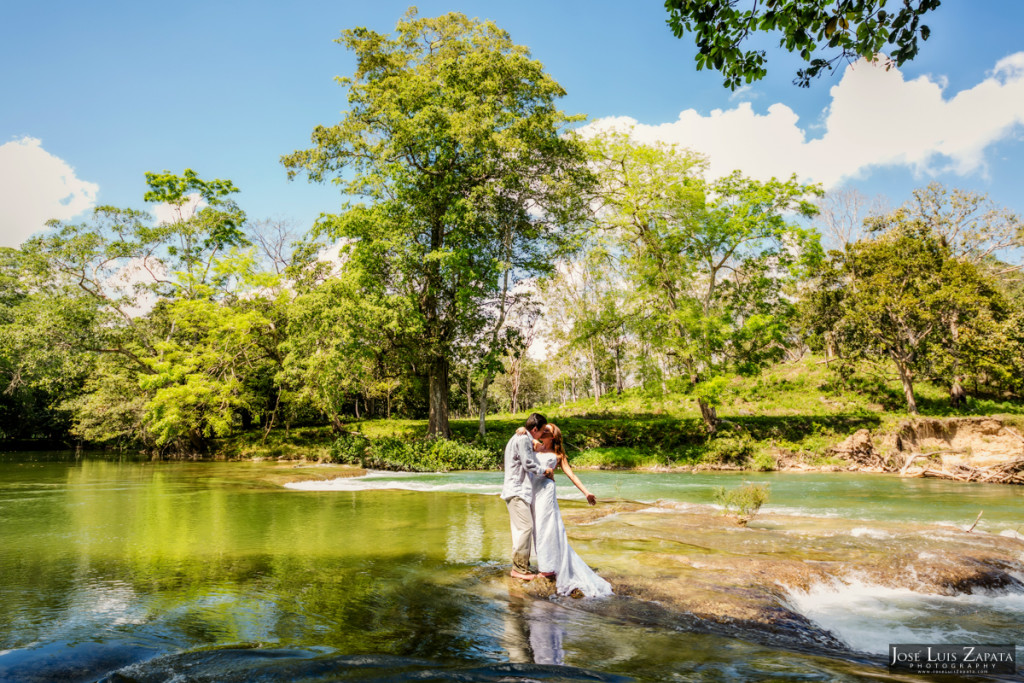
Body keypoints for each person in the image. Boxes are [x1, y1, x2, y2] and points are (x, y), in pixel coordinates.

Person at [530, 423, 612, 598]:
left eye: (547, 431)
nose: (543, 431)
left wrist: (586, 492)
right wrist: (522, 430)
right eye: (542, 429)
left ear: (553, 437)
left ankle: (548, 569)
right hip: (532, 491)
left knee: (547, 528)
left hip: (546, 491)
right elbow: (523, 440)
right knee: (536, 528)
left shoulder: (558, 455)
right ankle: (545, 564)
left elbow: (572, 475)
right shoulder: (534, 445)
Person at [500, 412, 553, 580]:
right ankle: (519, 569)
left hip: (517, 490)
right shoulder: (522, 439)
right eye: (542, 430)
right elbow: (528, 464)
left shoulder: (523, 437)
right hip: (517, 490)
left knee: (521, 529)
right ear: (535, 429)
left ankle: (523, 565)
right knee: (525, 528)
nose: (543, 434)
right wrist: (545, 471)